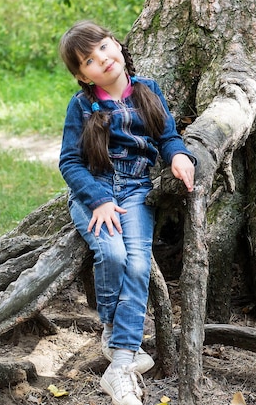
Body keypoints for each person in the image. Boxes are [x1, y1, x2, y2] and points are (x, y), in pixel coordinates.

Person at [58, 20, 196, 405]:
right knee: (113, 254)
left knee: (138, 265)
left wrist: (180, 155)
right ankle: (113, 330)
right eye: (88, 59)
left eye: (103, 47)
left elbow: (167, 136)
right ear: (80, 74)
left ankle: (119, 363)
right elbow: (70, 162)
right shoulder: (82, 106)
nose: (101, 58)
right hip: (97, 194)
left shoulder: (148, 91)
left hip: (135, 193)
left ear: (117, 43)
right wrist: (98, 199)